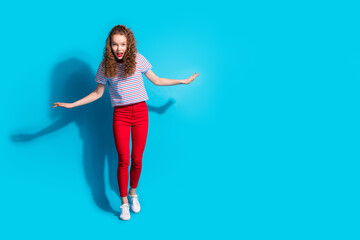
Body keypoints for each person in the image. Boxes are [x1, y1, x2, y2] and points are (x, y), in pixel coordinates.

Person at [53, 25, 199, 221]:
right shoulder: (105, 66)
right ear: (109, 46)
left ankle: (132, 193)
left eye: (122, 44)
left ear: (129, 44)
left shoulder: (138, 59)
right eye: (115, 44)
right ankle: (123, 205)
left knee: (137, 158)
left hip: (140, 112)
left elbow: (156, 80)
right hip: (120, 115)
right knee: (123, 159)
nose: (119, 48)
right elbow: (97, 93)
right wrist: (72, 105)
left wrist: (183, 81)